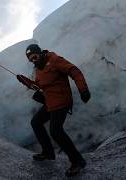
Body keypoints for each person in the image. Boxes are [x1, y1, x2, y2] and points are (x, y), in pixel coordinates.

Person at [16, 44, 91, 177]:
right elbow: (39, 85)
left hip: (62, 101)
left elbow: (74, 71)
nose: (33, 60)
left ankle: (78, 161)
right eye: (30, 59)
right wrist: (26, 81)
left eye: (34, 56)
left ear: (40, 53)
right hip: (50, 102)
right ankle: (48, 152)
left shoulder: (55, 60)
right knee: (36, 122)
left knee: (56, 131)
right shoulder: (39, 69)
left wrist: (83, 90)